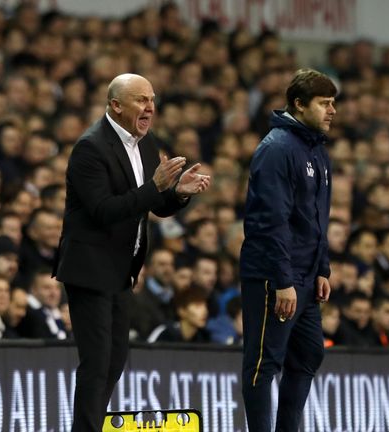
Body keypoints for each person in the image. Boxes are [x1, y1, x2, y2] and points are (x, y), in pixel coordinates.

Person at [53, 73, 210, 432]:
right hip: (89, 267)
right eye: (140, 100)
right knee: (96, 362)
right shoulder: (90, 148)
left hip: (122, 269)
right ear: (116, 105)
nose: (150, 107)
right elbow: (104, 210)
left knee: (115, 360)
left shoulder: (146, 142)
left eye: (152, 99)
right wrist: (156, 187)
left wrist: (179, 193)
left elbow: (154, 205)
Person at [239, 68, 336, 432]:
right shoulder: (277, 148)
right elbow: (269, 220)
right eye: (324, 104)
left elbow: (317, 218)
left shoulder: (317, 151)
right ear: (299, 104)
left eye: (333, 104)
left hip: (307, 276)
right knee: (264, 363)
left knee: (310, 353)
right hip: (274, 275)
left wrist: (322, 269)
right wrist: (282, 280)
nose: (332, 111)